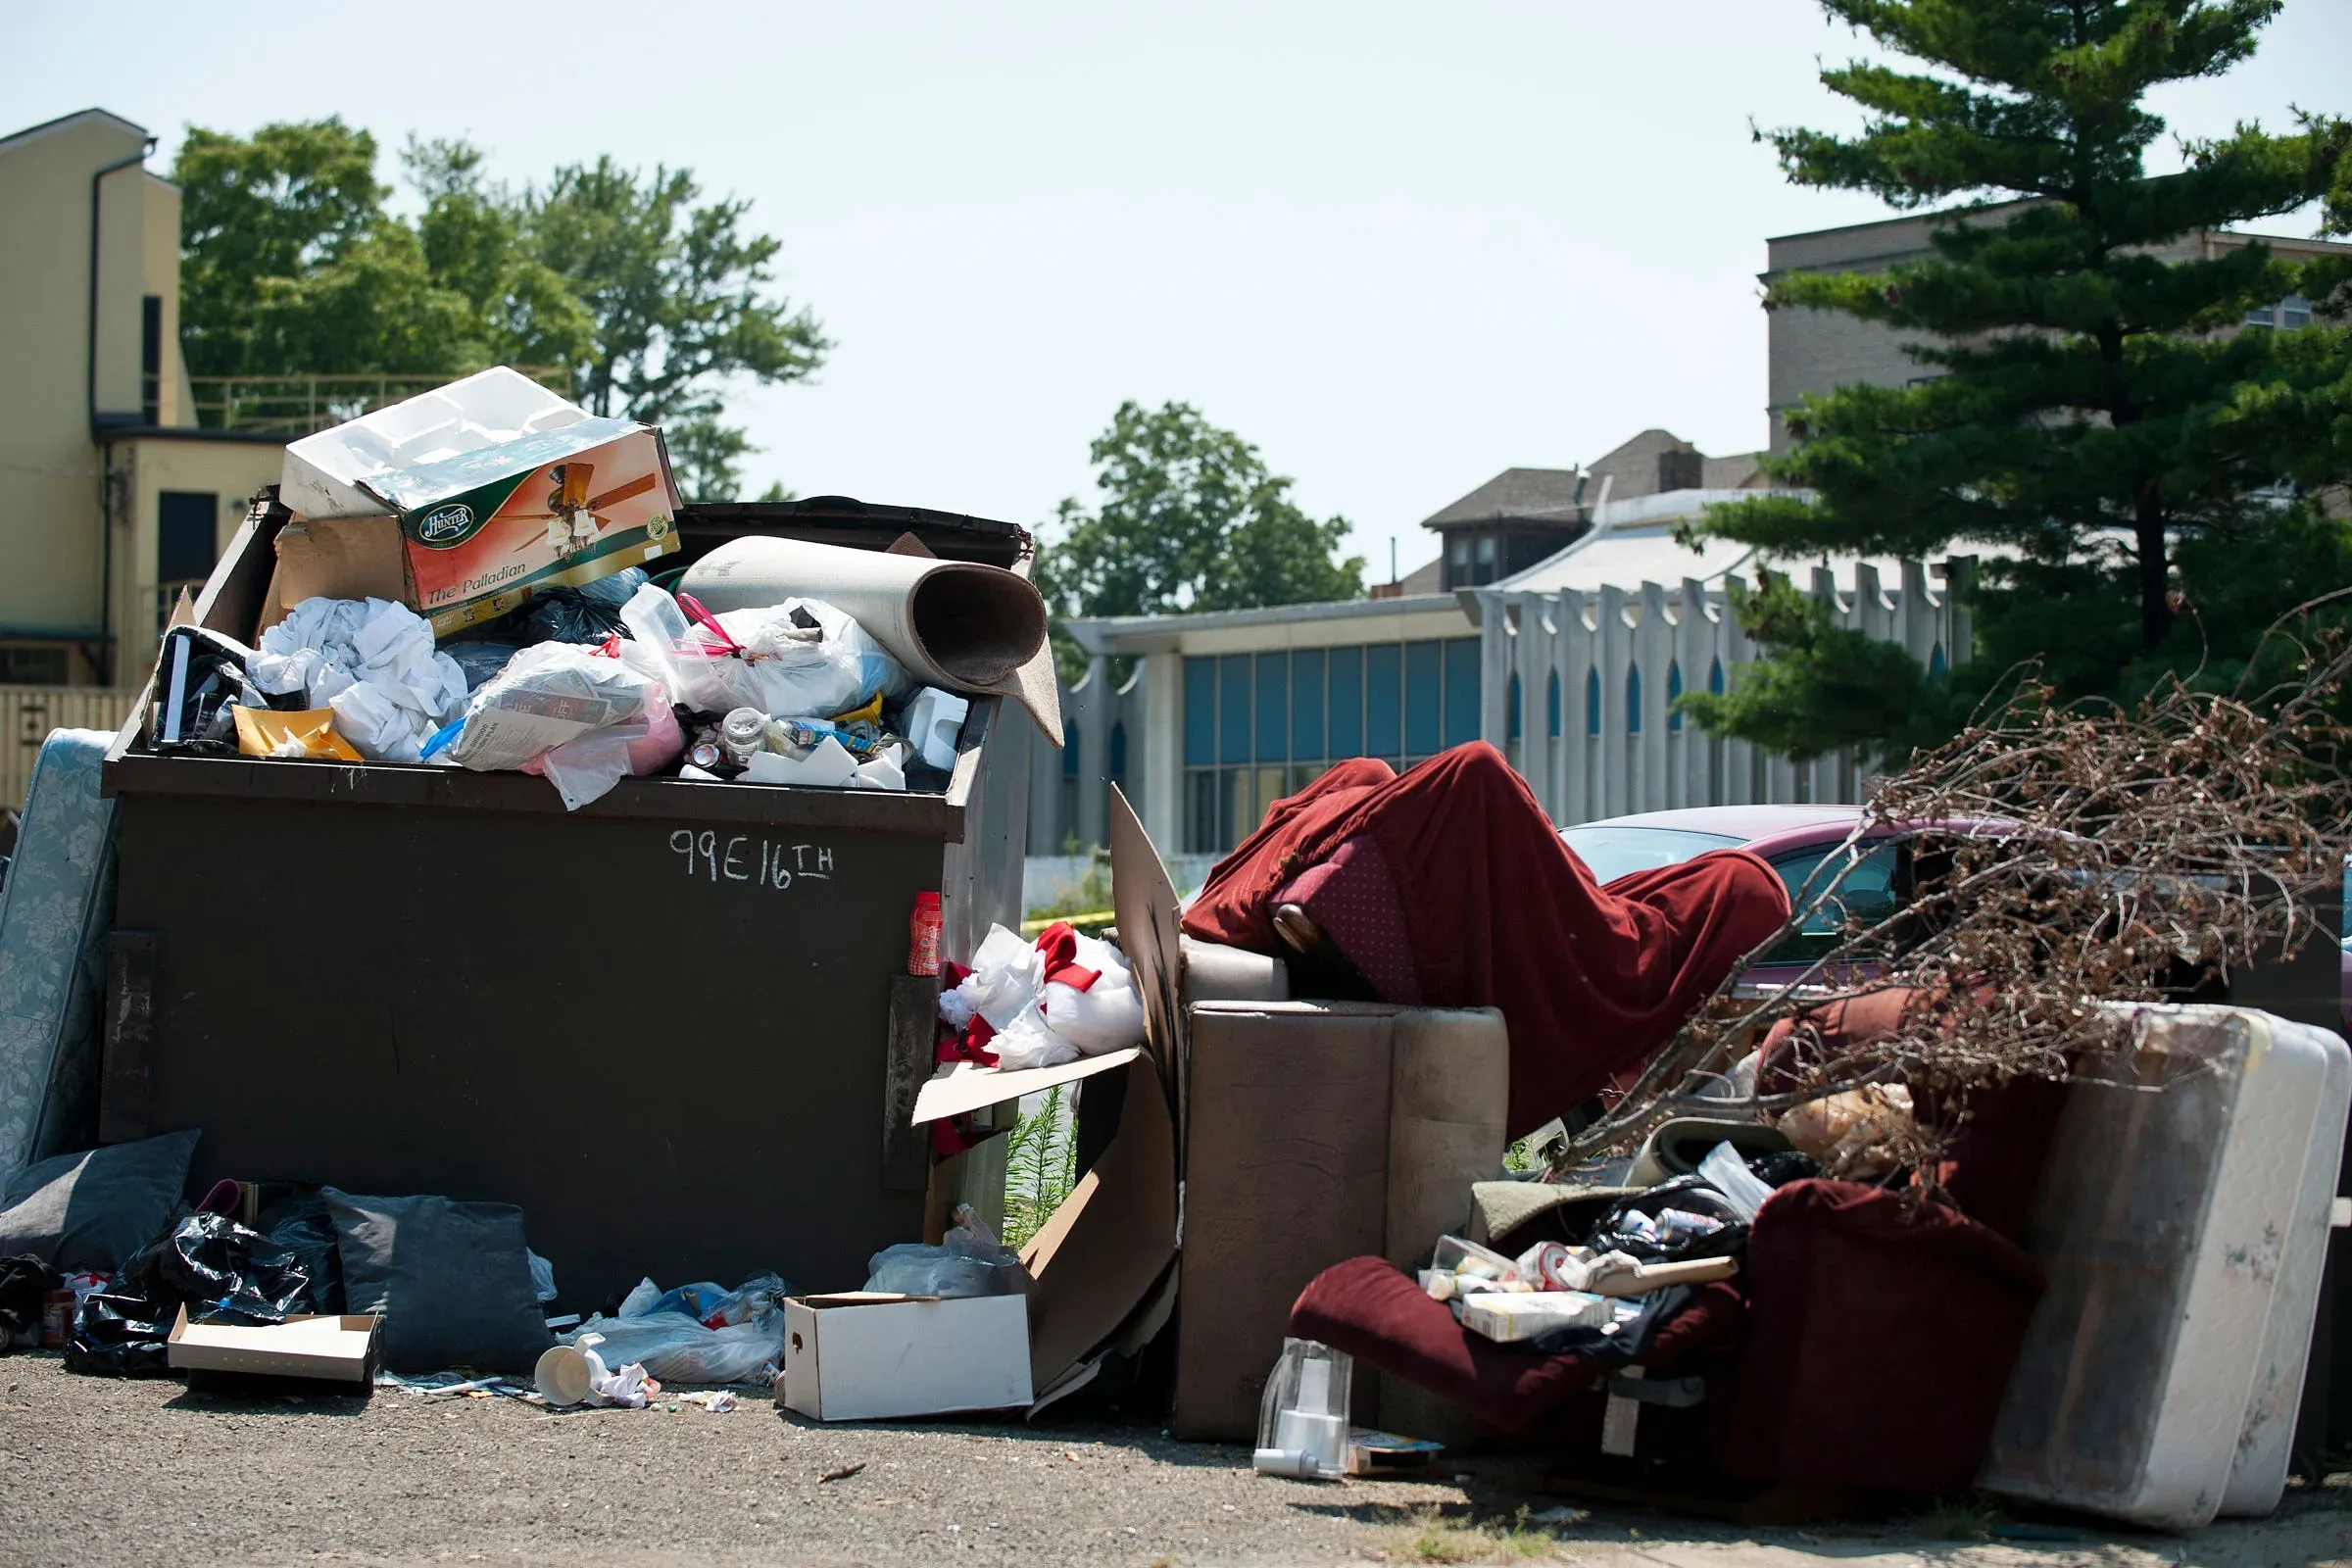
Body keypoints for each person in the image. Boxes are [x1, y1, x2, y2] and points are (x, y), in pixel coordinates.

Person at [1181, 742, 1789, 1139]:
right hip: (1613, 926)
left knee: (1477, 770)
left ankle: (1316, 877)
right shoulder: (1668, 955)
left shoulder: (1710, 983)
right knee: (1376, 774)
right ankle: (1321, 877)